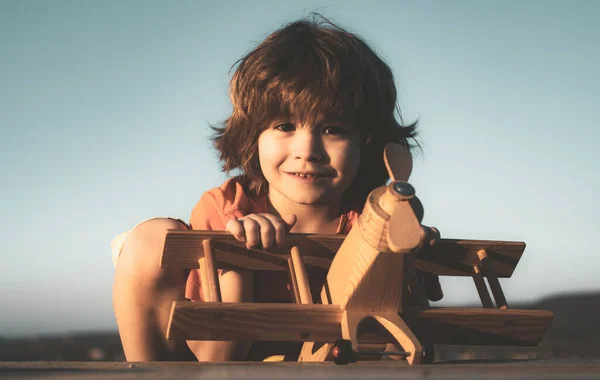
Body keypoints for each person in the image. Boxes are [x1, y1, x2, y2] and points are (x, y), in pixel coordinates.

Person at [112, 14, 439, 362]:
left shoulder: (368, 220)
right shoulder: (228, 209)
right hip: (226, 365)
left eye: (333, 129)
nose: (307, 150)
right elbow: (217, 356)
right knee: (151, 238)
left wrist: (406, 262)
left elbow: (400, 350)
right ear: (253, 136)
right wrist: (242, 258)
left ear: (367, 141)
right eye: (285, 125)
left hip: (325, 363)